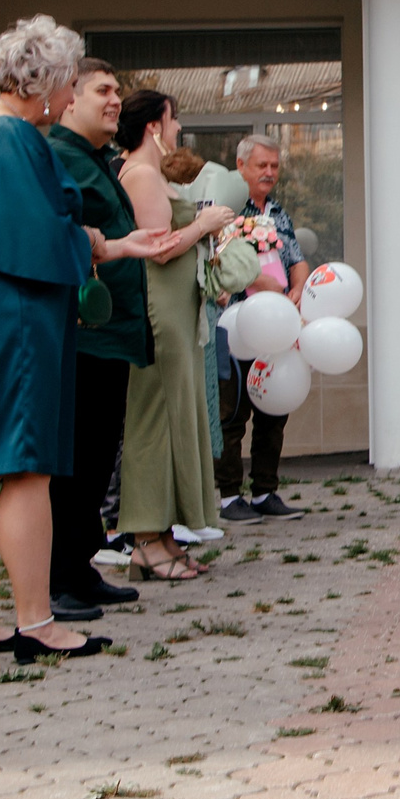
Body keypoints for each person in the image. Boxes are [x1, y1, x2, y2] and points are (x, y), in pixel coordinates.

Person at [0, 16, 164, 662]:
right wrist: (85, 241)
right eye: (69, 86)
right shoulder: (10, 139)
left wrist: (103, 243)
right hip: (17, 326)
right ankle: (37, 621)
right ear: (51, 81)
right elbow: (30, 241)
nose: (70, 101)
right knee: (26, 472)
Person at [42, 57, 151, 624]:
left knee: (97, 458)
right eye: (103, 91)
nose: (115, 100)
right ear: (70, 99)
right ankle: (58, 580)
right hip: (86, 339)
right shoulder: (61, 158)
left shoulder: (96, 160)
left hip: (112, 337)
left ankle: (80, 569)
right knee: (78, 461)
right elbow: (82, 240)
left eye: (118, 90)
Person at [113, 90, 233, 580]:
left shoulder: (154, 174)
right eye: (173, 118)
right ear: (152, 127)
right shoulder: (139, 173)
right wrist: (202, 223)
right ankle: (143, 539)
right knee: (153, 421)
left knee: (173, 418)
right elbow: (158, 249)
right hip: (159, 309)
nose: (178, 127)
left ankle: (164, 537)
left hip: (180, 308)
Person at [215, 133, 313, 524]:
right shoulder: (226, 209)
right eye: (262, 166)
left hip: (278, 327)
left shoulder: (278, 212)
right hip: (238, 324)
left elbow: (296, 257)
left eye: (274, 166)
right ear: (241, 167)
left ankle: (264, 492)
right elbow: (217, 263)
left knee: (274, 410)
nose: (269, 173)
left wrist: (299, 288)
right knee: (233, 413)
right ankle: (227, 497)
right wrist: (257, 280)